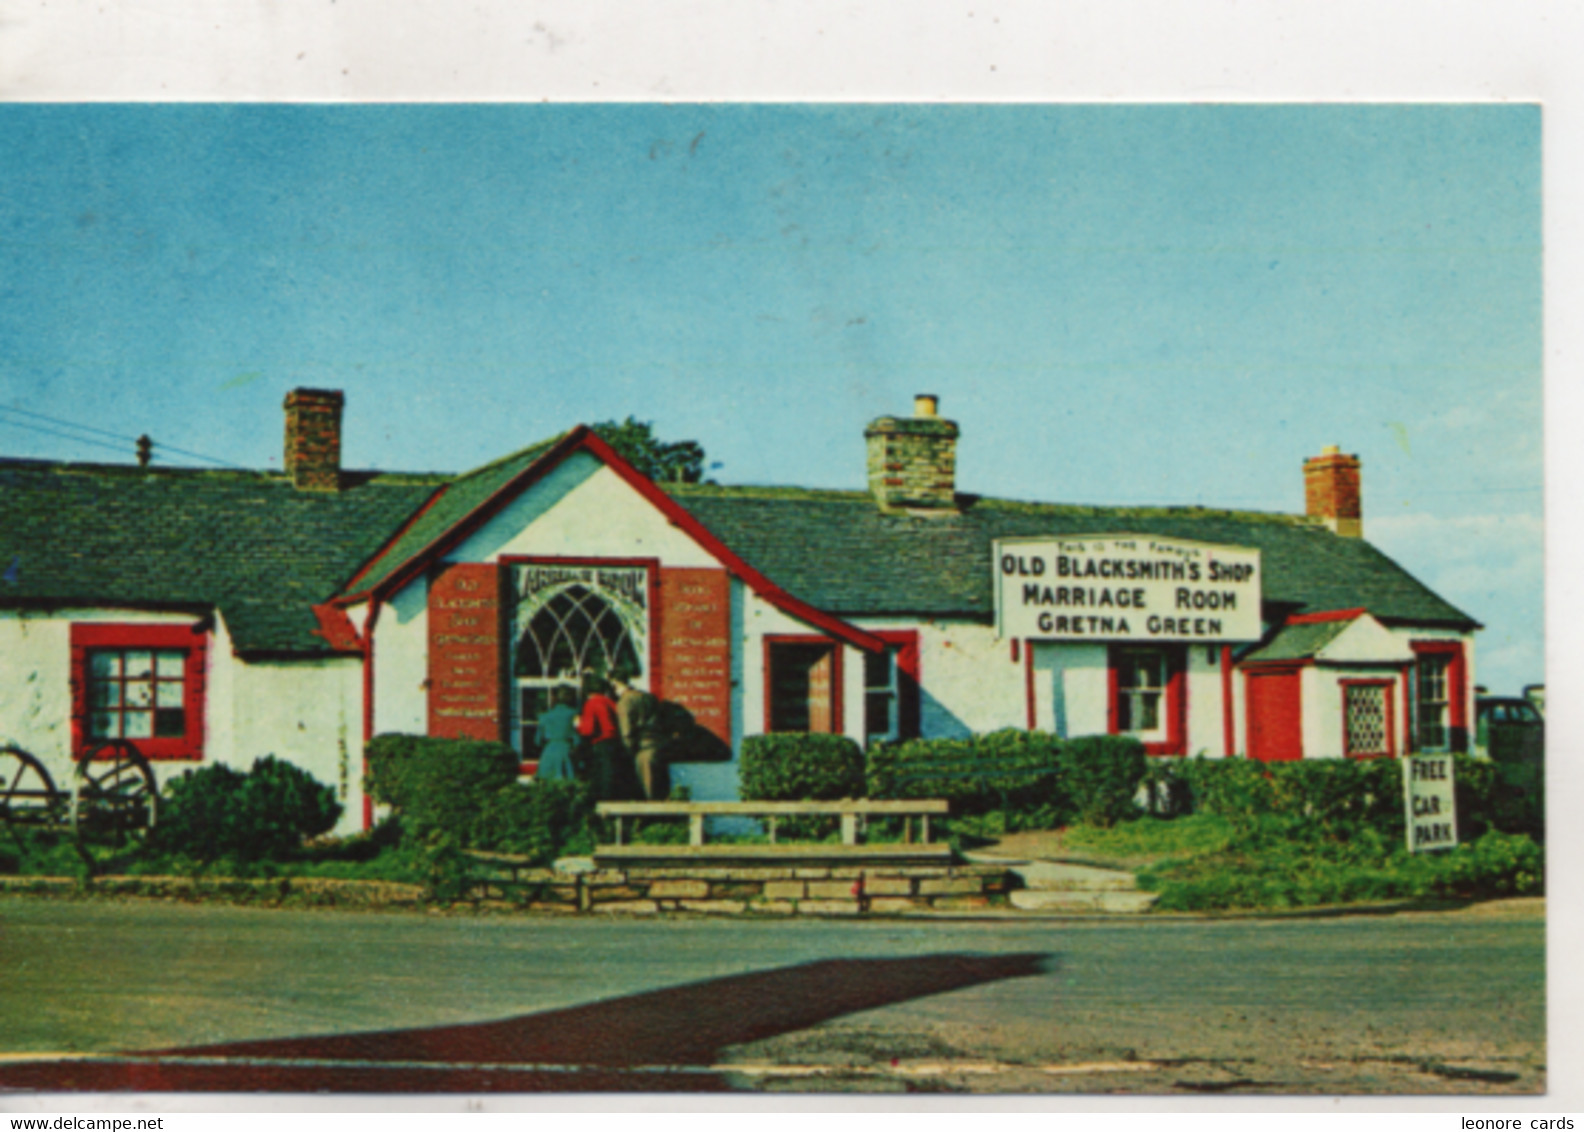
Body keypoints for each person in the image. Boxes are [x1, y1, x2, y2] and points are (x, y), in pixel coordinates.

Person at [611, 667, 668, 801]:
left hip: (642, 748)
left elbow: (626, 731)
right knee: (660, 790)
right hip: (658, 745)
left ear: (615, 683)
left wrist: (628, 750)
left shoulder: (625, 701)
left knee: (648, 792)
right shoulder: (648, 697)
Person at [575, 671, 628, 800]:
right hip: (616, 742)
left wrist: (578, 725)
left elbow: (588, 730)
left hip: (601, 743)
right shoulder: (611, 702)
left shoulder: (591, 703)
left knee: (603, 780)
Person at [532, 685, 579, 782]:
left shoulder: (544, 716)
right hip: (566, 751)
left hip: (549, 751)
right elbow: (578, 738)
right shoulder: (574, 714)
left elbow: (537, 740)